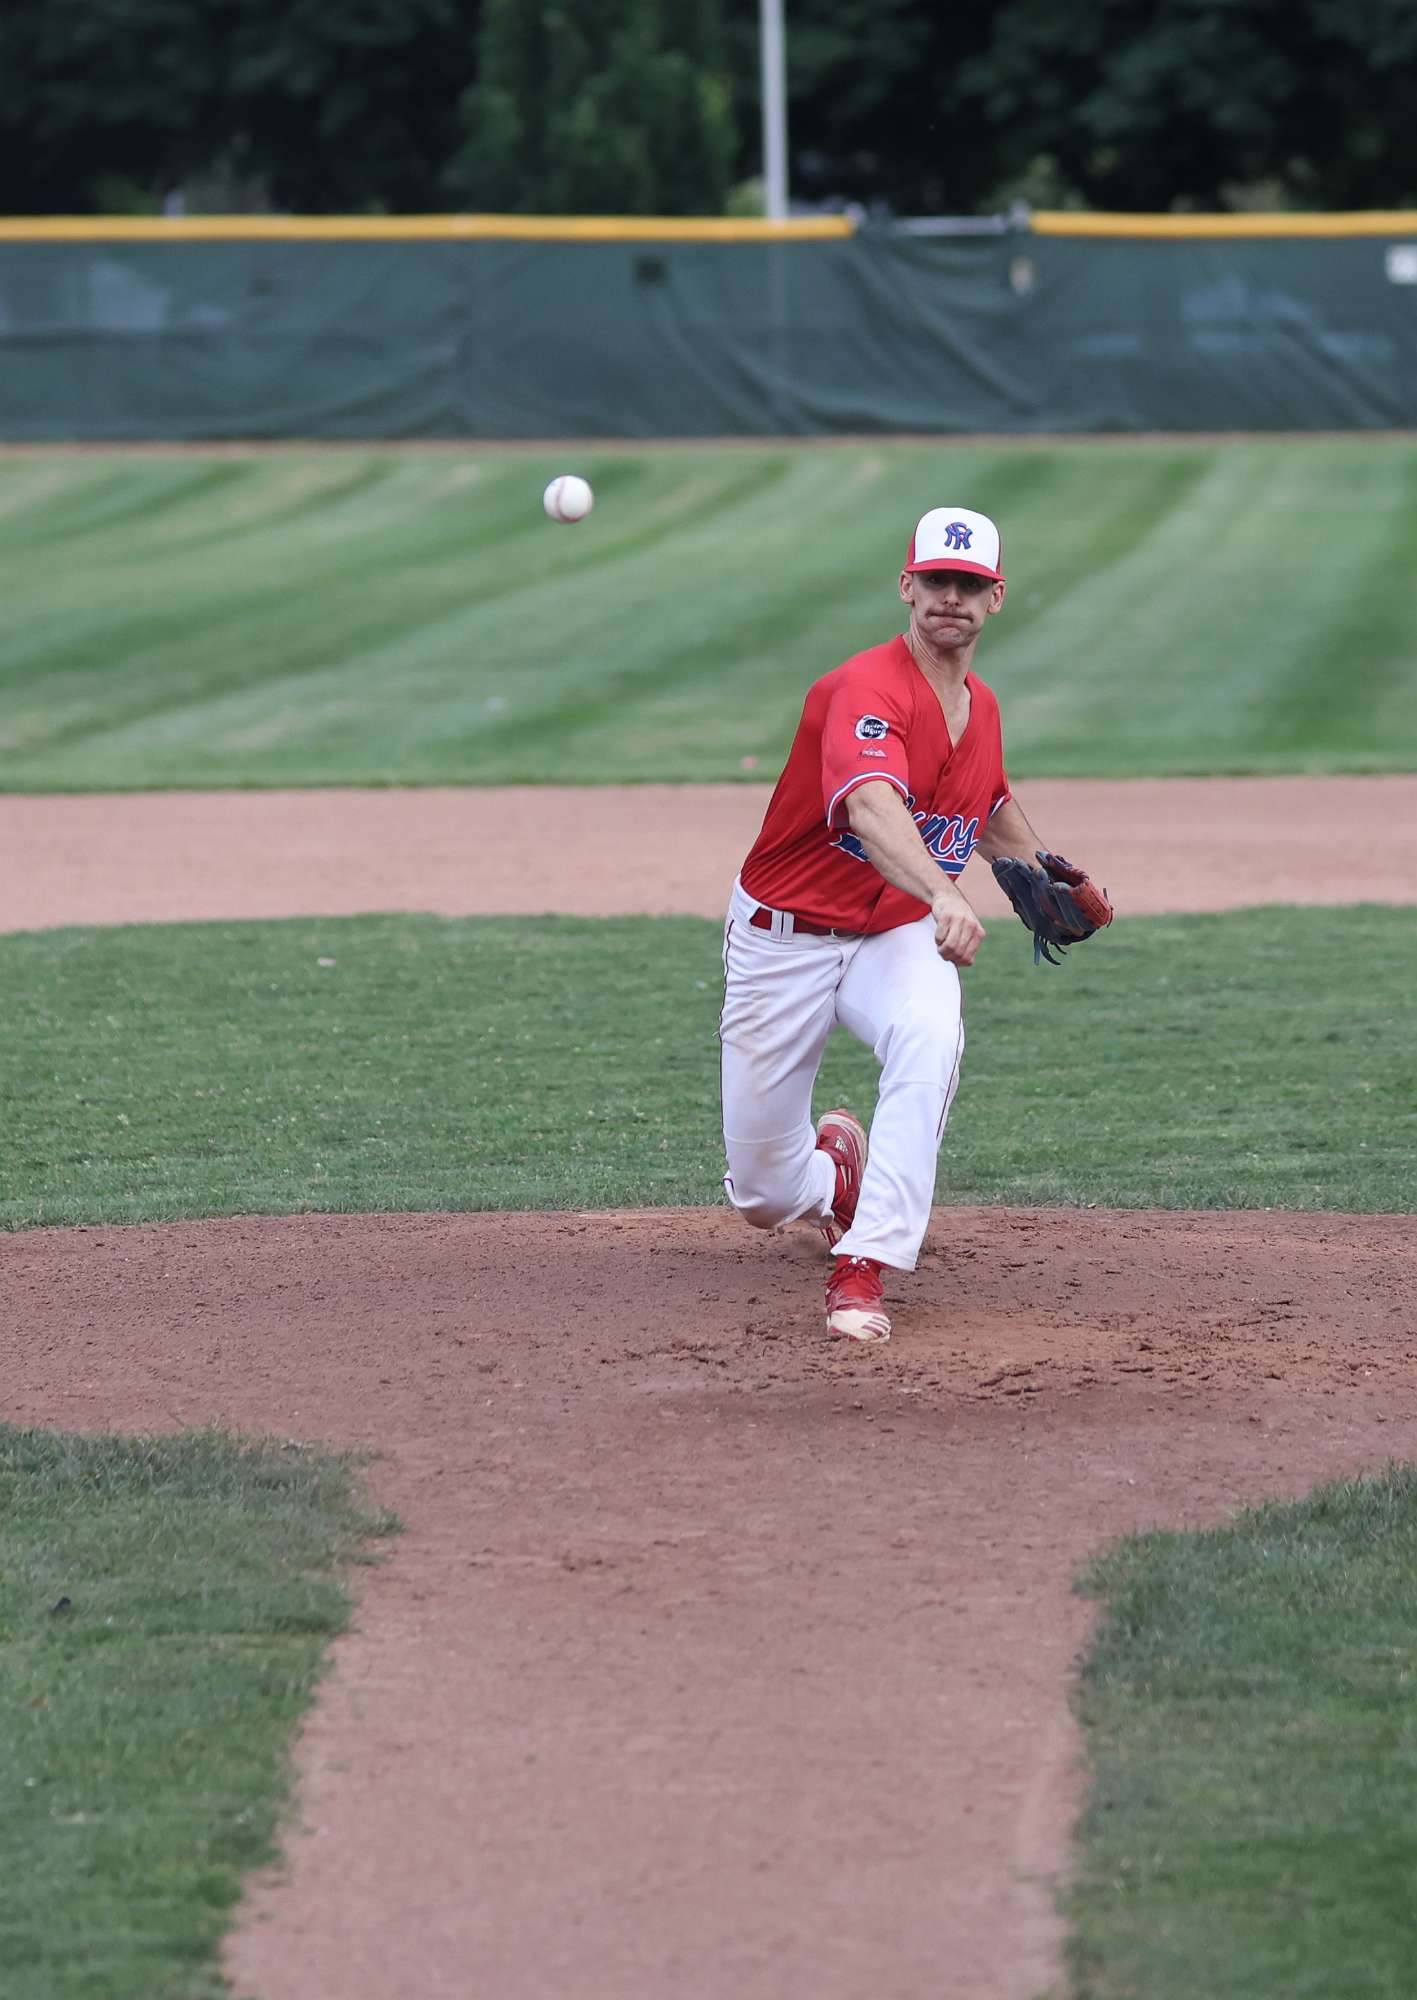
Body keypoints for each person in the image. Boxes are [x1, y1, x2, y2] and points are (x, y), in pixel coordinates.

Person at [719, 504, 1103, 1345]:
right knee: (762, 1197)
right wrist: (944, 893)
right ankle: (834, 1177)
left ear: (995, 597)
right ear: (906, 586)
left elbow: (985, 803)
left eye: (968, 583)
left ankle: (866, 1262)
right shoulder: (863, 688)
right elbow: (868, 804)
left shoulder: (979, 705)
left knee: (930, 1039)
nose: (949, 598)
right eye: (935, 581)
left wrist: (1045, 870)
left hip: (894, 930)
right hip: (784, 936)